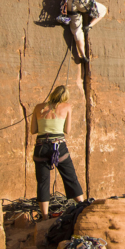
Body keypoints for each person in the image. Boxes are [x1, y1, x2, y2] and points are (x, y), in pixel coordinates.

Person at [31, 86, 84, 219]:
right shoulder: (67, 107)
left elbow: (33, 130)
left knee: (43, 182)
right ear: (65, 97)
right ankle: (83, 207)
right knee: (70, 177)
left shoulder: (38, 107)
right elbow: (67, 130)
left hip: (41, 147)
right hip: (58, 147)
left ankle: (44, 216)